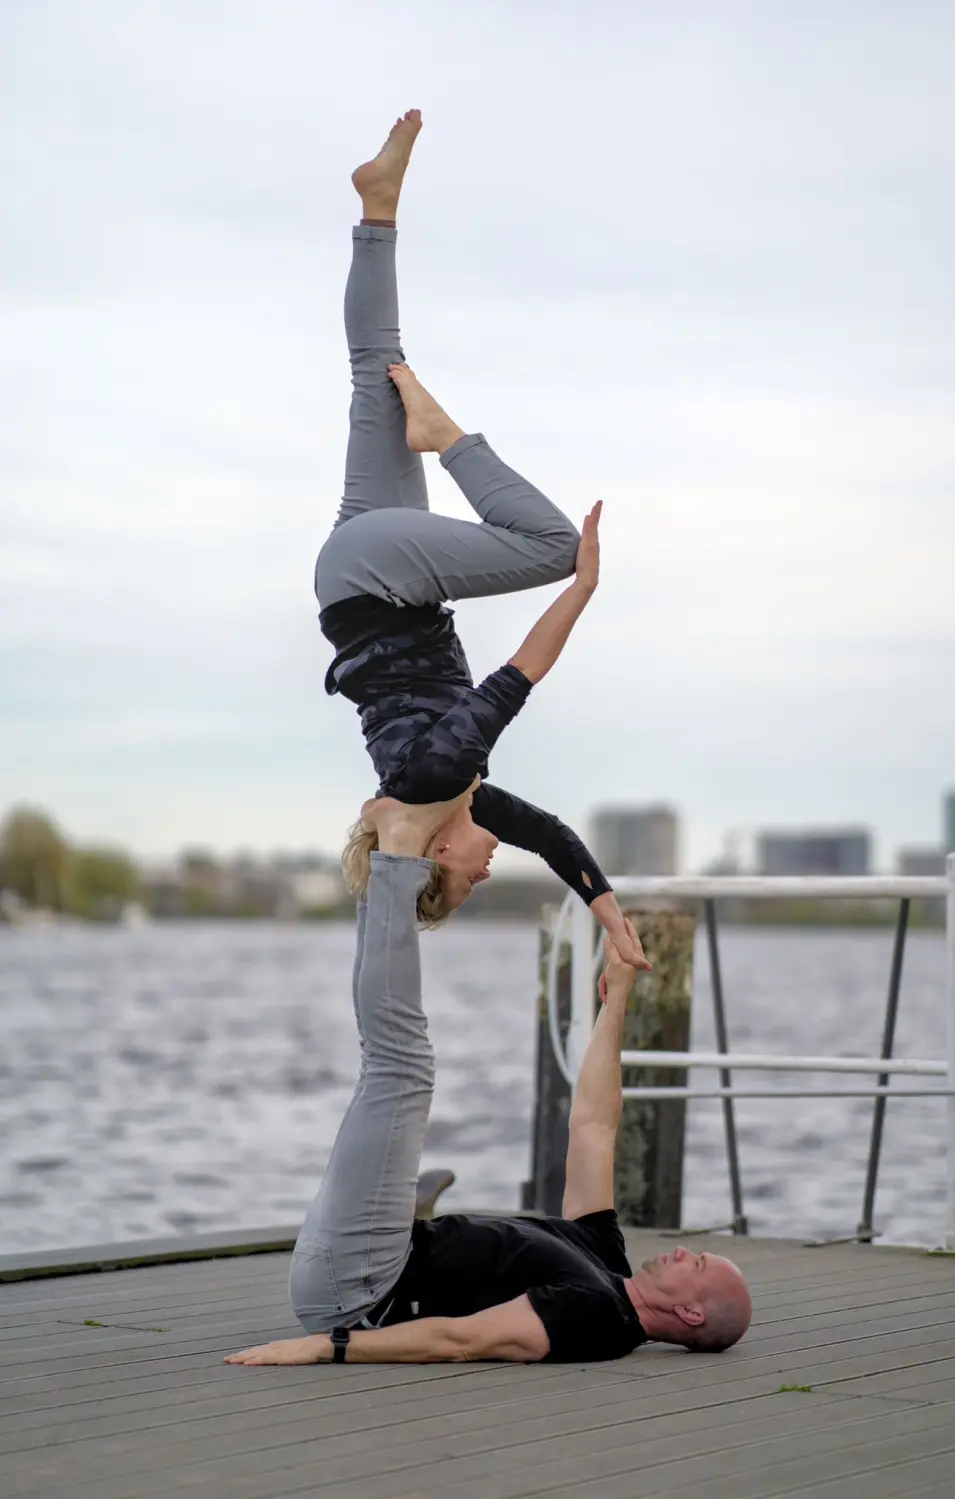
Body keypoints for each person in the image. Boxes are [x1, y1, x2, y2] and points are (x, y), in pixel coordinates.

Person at [225, 798, 752, 1369]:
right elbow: (594, 1127)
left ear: (692, 1315)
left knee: (401, 1069)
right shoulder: (606, 1262)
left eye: (695, 1264)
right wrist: (618, 993)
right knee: (392, 1065)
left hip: (363, 1292)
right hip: (374, 1257)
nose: (680, 1250)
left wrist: (329, 1346)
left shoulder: (598, 1318)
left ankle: (398, 856)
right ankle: (391, 861)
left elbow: (463, 1341)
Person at [316, 109, 646, 967]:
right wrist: (608, 914)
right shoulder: (442, 794)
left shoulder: (432, 776)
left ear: (433, 857)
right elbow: (554, 836)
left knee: (550, 544)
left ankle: (446, 433)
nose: (485, 873)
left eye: (463, 883)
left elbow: (516, 677)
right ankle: (376, 209)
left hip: (388, 578)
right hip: (357, 580)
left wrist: (581, 588)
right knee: (376, 367)